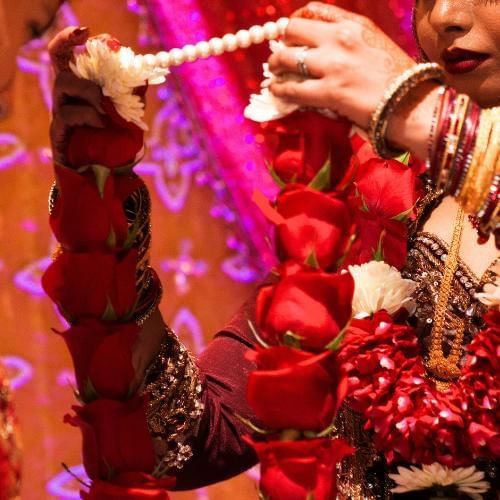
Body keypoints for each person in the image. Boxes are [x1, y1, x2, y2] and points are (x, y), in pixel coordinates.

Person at [47, 1, 498, 498]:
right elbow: (179, 441)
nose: (448, 15)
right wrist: (103, 195)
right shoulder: (381, 203)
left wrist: (419, 112)